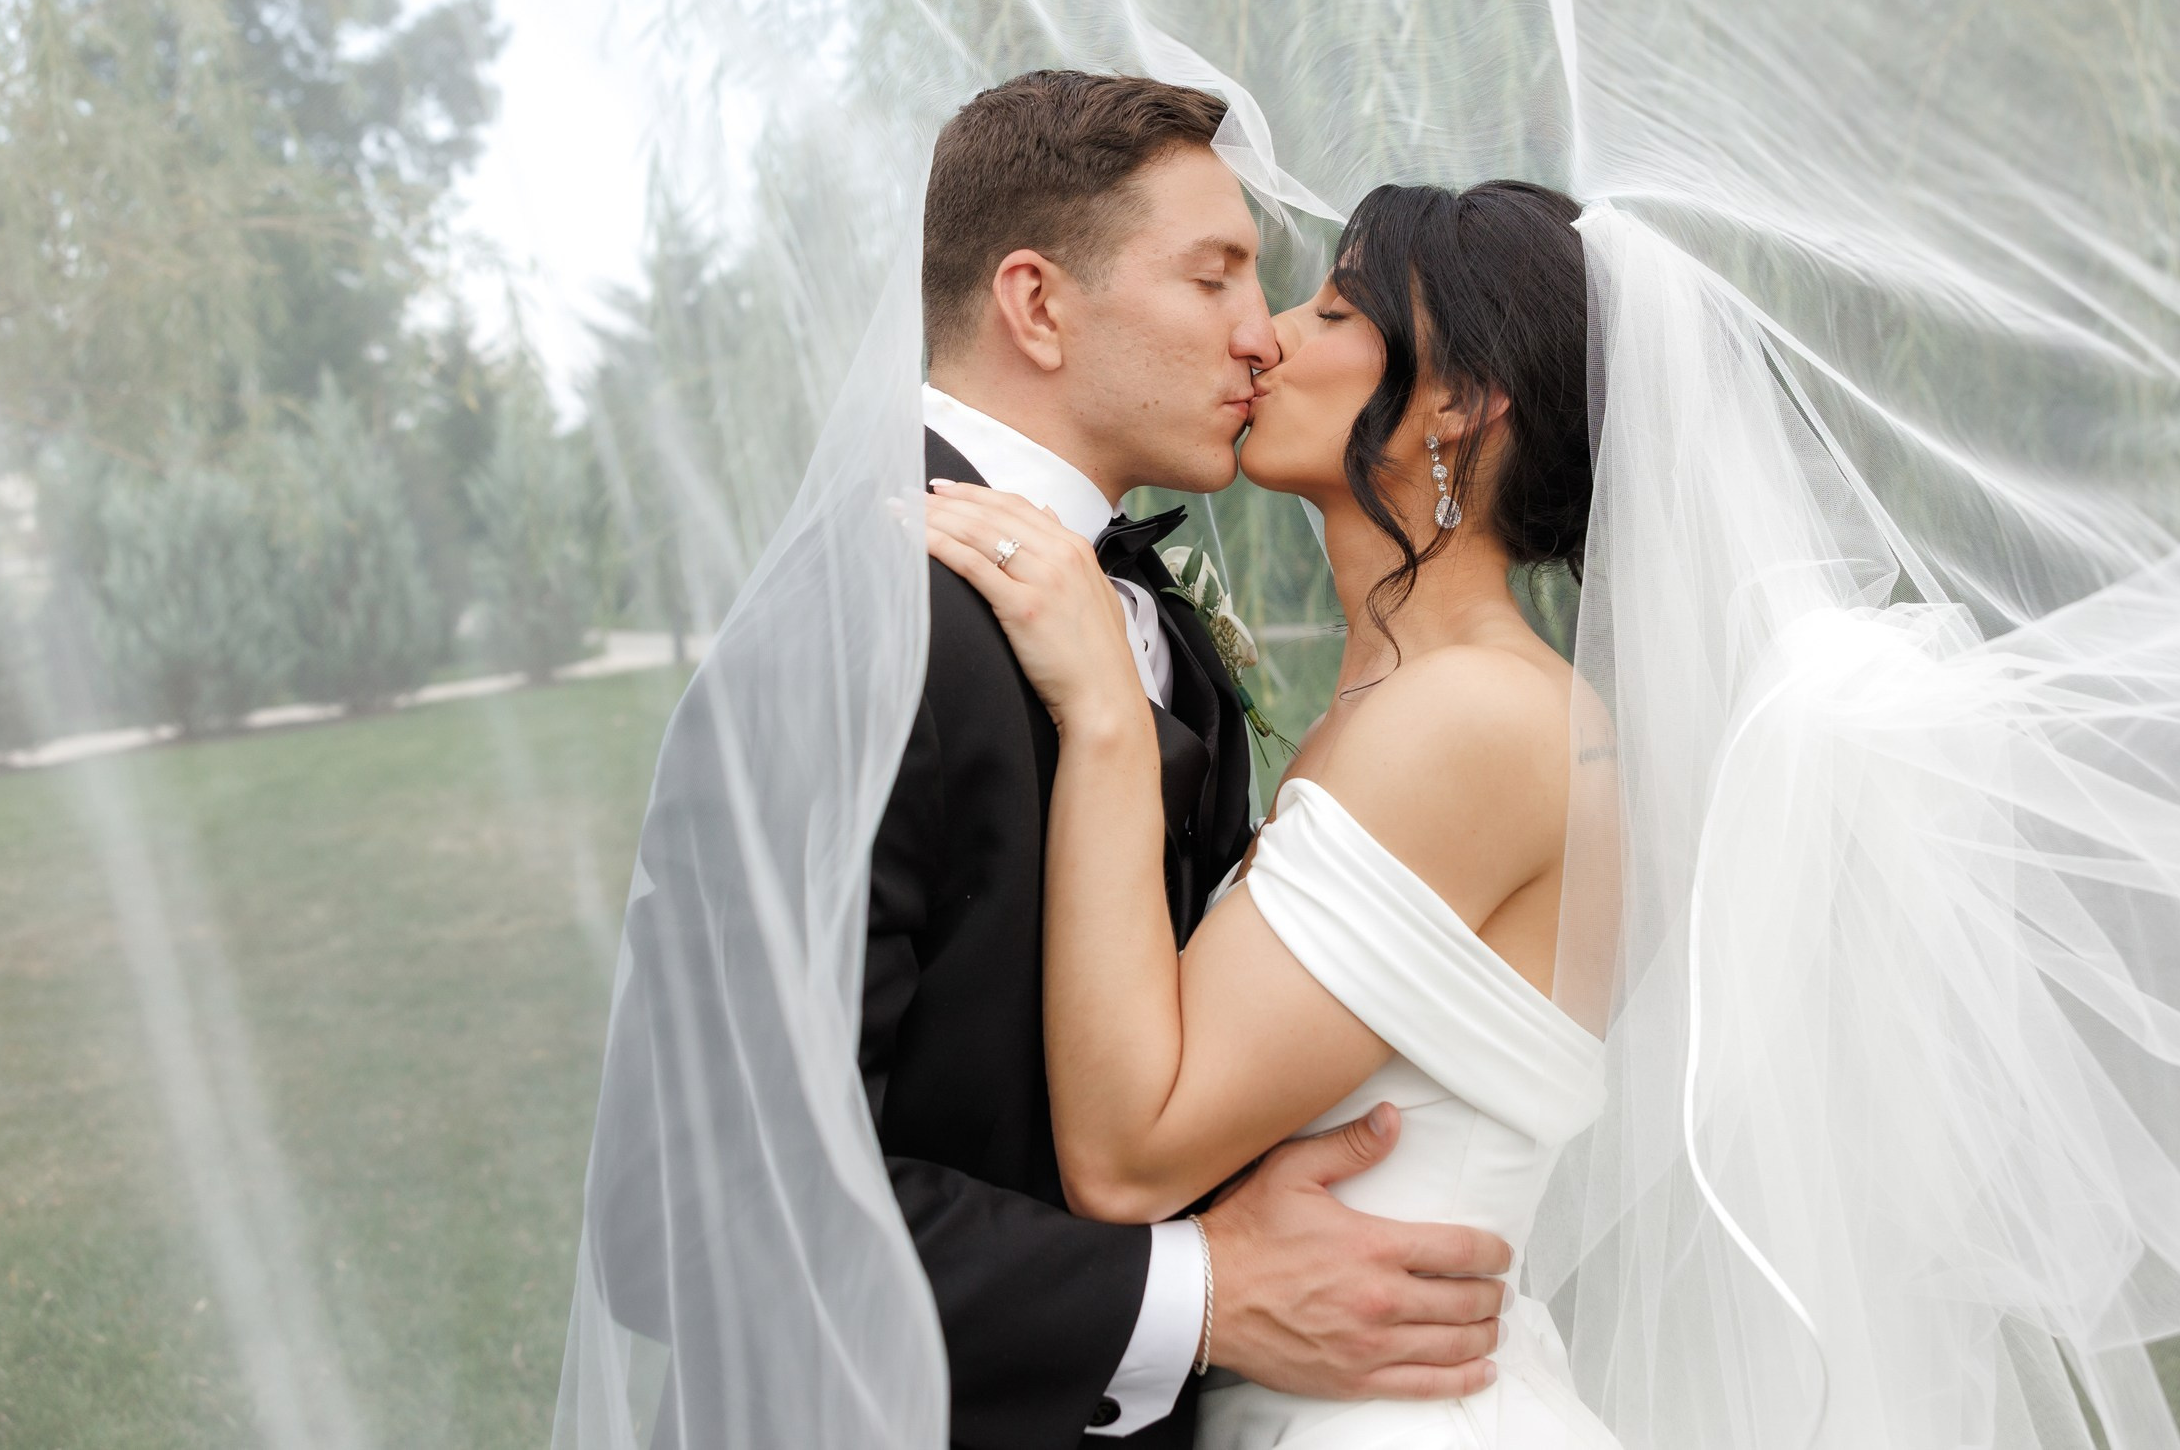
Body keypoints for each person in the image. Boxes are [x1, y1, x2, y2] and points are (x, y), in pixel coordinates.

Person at [575, 72, 1513, 1450]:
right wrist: (1202, 1294)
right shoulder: (855, 630)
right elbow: (692, 1212)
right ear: (1035, 303)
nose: (1265, 340)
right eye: (1216, 279)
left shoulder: (1164, 636)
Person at [925, 178, 1623, 1449]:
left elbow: (1135, 1154)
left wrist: (1101, 717)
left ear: (1458, 405)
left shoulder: (1472, 721)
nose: (1268, 336)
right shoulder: (1406, 700)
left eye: (1334, 309)